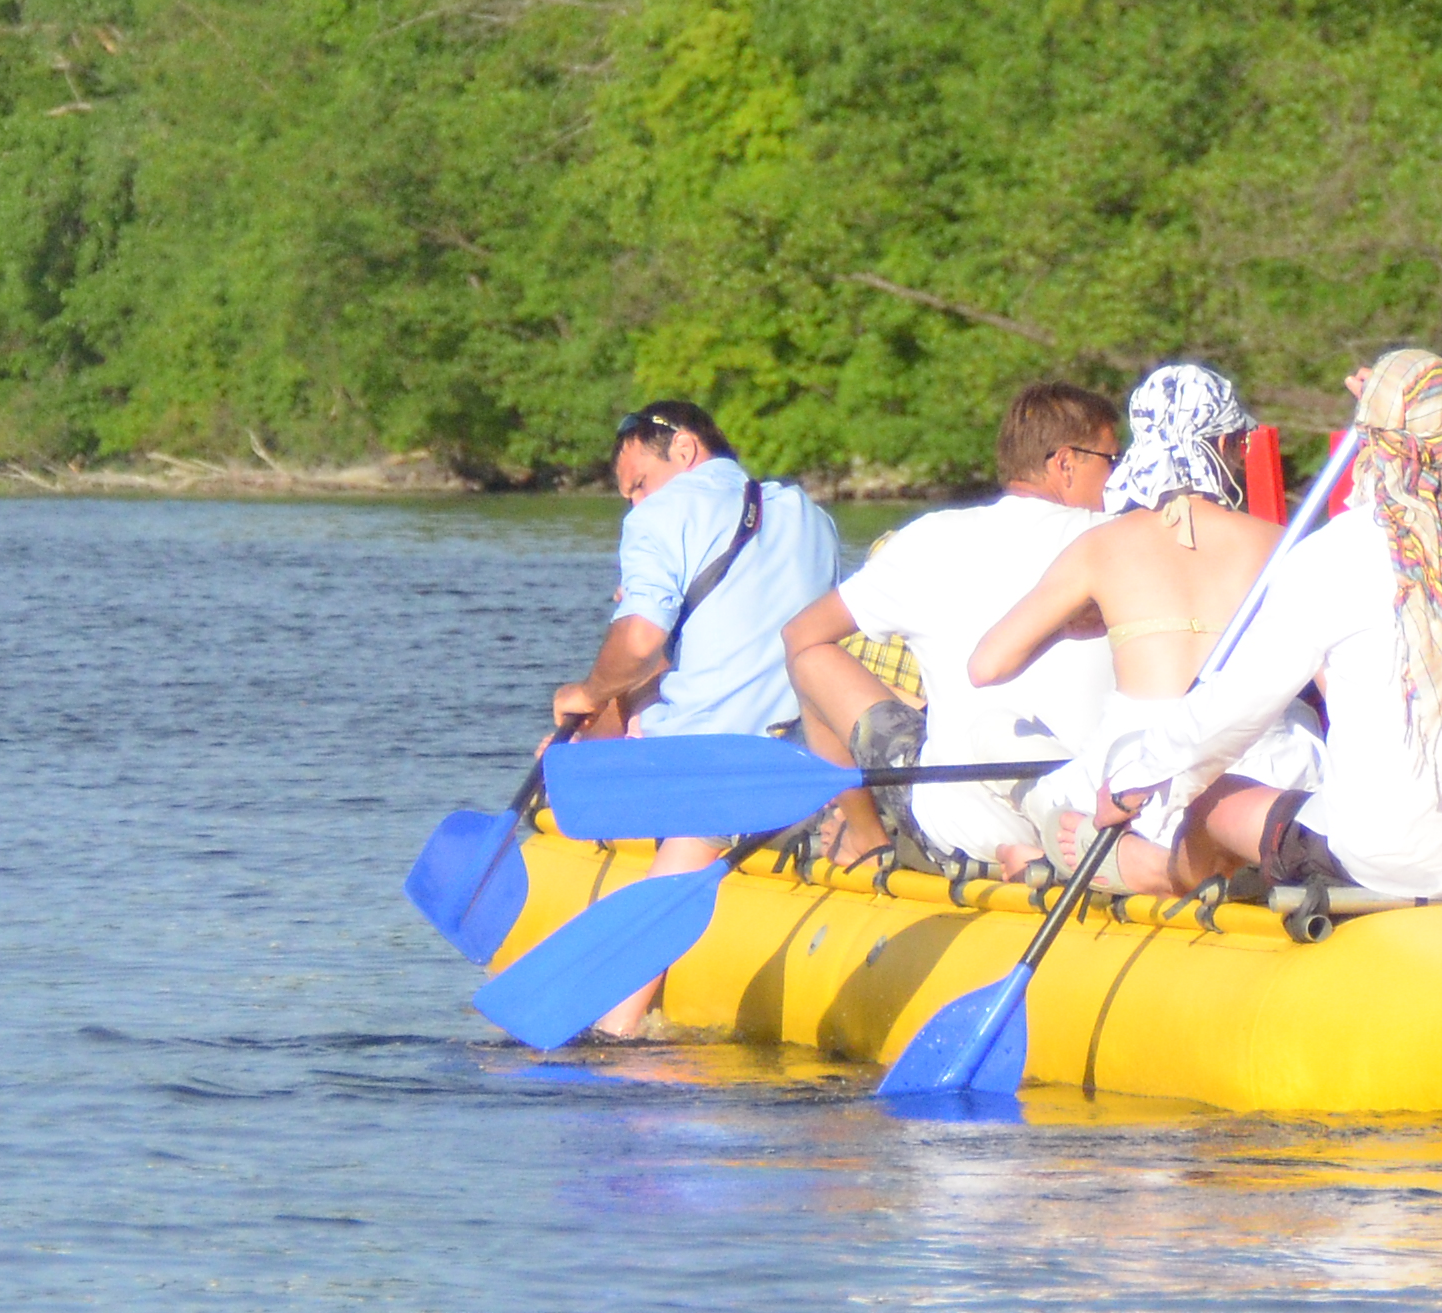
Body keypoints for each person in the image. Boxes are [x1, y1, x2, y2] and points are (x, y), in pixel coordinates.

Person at [1031, 348, 1442, 900]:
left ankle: (1164, 871)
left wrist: (1131, 781)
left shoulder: (1329, 553)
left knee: (1211, 796)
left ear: (1369, 439)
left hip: (1373, 864)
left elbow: (1235, 709)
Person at [545, 399, 848, 1038]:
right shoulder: (810, 516)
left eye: (639, 486)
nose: (636, 505)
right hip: (801, 758)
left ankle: (615, 1027)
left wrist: (590, 692)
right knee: (625, 698)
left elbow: (637, 643)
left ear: (683, 449)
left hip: (713, 767)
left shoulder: (663, 516)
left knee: (574, 715)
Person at [780, 379, 1120, 869]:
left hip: (955, 820)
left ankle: (865, 836)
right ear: (1065, 463)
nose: (1121, 477)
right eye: (1112, 459)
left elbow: (799, 636)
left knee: (809, 659)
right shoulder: (1126, 542)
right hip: (1094, 815)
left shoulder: (928, 539)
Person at [962, 361, 1296, 860]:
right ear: (1223, 446)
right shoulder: (1283, 544)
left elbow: (987, 667)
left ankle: (1064, 848)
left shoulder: (1101, 545)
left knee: (990, 732)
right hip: (1269, 765)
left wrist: (1067, 631)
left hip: (1137, 776)